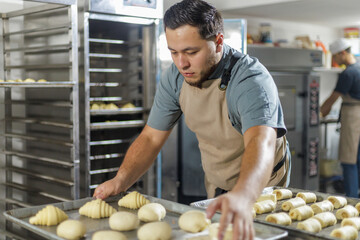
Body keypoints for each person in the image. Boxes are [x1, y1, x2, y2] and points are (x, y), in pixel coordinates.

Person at [94, 0, 290, 239]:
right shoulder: (175, 78)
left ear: (218, 42)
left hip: (260, 185)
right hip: (217, 179)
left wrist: (244, 195)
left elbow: (262, 141)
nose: (181, 63)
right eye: (173, 52)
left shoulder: (250, 80)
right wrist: (120, 180)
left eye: (191, 52)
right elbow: (151, 137)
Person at [320, 38, 360, 198]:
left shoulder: (349, 72)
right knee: (358, 159)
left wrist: (318, 114)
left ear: (343, 53)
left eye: (335, 57)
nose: (335, 60)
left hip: (353, 118)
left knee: (348, 160)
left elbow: (332, 98)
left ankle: (351, 199)